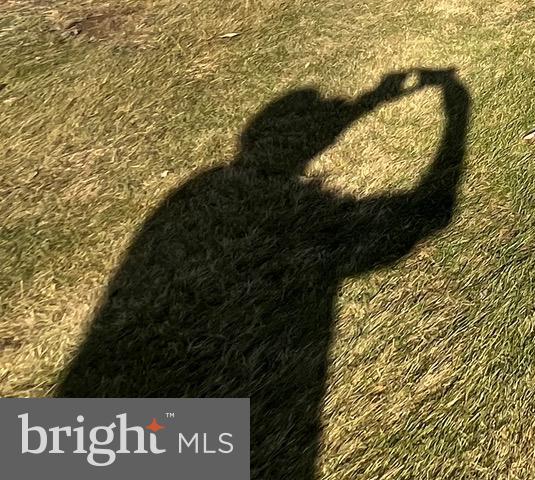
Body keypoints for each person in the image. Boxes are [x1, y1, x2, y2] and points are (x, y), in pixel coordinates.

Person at [58, 68, 470, 480]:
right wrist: (456, 111)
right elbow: (425, 216)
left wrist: (371, 102)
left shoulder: (198, 194)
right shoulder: (213, 195)